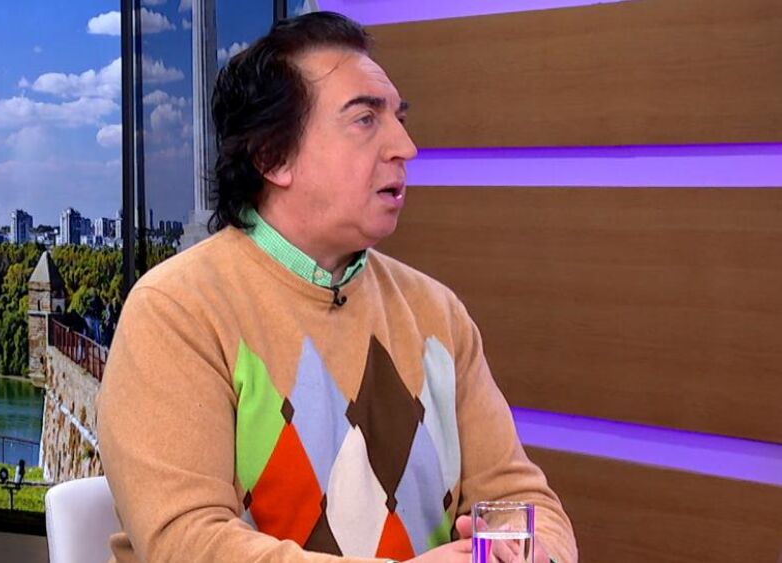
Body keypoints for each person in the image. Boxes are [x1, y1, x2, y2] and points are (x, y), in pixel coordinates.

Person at [98, 11, 577, 563]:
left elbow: (521, 499)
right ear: (272, 156)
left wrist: (525, 551)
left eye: (399, 118)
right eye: (365, 120)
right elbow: (186, 543)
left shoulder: (437, 313)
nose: (406, 146)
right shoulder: (177, 311)